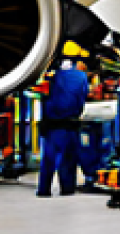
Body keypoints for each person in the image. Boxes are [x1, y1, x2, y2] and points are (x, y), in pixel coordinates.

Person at [37, 58, 89, 197]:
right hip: (71, 123)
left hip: (52, 122)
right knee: (68, 158)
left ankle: (44, 189)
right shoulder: (81, 77)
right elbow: (82, 98)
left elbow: (42, 96)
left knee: (49, 158)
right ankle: (67, 188)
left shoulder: (50, 76)